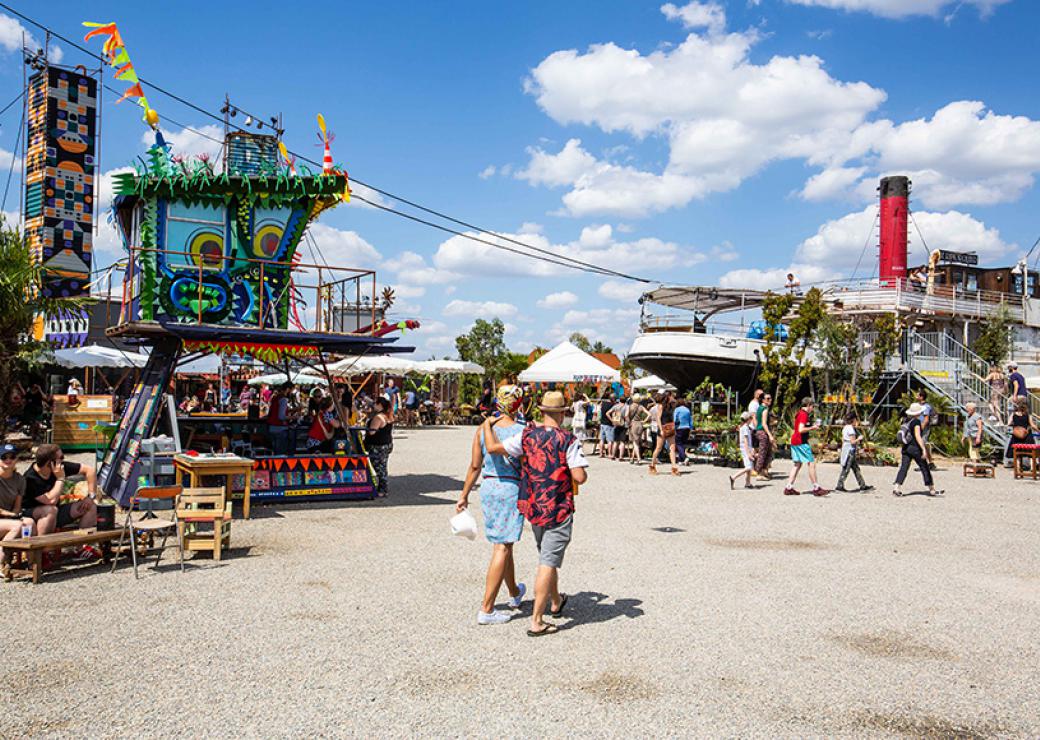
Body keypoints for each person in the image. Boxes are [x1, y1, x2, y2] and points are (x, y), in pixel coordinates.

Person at [482, 391, 589, 637]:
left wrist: (487, 424)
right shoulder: (568, 439)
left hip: (534, 505)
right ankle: (537, 620)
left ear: (541, 411)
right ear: (563, 414)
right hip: (558, 507)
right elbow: (579, 477)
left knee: (546, 554)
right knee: (548, 561)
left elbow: (493, 447)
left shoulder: (526, 435)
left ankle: (555, 601)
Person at [455, 385, 527, 625]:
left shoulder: (483, 429)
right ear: (517, 404)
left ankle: (514, 593)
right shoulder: (523, 431)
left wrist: (464, 494)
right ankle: (487, 609)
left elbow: (474, 465)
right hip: (510, 488)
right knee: (502, 548)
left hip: (488, 486)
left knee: (504, 543)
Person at [22, 444, 98, 537]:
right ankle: (43, 547)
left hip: (56, 513)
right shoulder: (30, 478)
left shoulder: (59, 467)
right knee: (50, 510)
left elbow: (90, 470)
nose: (63, 460)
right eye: (61, 457)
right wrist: (60, 479)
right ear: (50, 463)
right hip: (33, 516)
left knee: (90, 506)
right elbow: (51, 501)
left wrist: (90, 497)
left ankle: (80, 545)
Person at [893, 403, 943, 496]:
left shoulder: (906, 420)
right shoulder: (916, 422)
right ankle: (932, 489)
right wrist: (923, 449)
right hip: (915, 448)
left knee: (904, 468)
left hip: (906, 447)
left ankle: (896, 487)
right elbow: (917, 436)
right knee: (924, 467)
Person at [1, 444, 35, 575]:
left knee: (30, 523)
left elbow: (17, 505)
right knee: (17, 526)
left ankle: (31, 564)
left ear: (16, 459)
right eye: (4, 457)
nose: (8, 460)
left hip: (8, 519)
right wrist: (10, 515)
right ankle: (2, 561)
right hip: (4, 518)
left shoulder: (20, 479)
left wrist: (14, 515)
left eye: (12, 457)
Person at [783, 397, 828, 496]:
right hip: (801, 442)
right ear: (808, 405)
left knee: (797, 464)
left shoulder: (800, 413)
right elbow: (800, 429)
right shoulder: (804, 415)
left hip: (795, 441)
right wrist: (813, 427)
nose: (812, 408)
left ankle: (789, 487)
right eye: (812, 406)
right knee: (811, 463)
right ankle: (816, 487)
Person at [835, 413, 872, 492]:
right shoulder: (851, 429)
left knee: (855, 468)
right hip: (850, 451)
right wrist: (859, 438)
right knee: (846, 469)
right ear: (853, 420)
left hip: (846, 449)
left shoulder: (845, 428)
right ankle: (839, 485)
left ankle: (862, 485)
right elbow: (852, 441)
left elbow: (843, 440)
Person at [366, 397, 394, 497]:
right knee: (383, 466)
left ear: (379, 405)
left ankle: (383, 488)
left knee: (378, 467)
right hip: (386, 444)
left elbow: (372, 431)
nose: (373, 406)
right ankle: (383, 487)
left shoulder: (378, 417)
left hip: (377, 445)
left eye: (375, 403)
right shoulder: (388, 416)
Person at [649, 392, 679, 476]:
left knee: (672, 448)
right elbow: (658, 418)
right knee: (658, 448)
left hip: (670, 427)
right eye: (672, 396)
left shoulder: (672, 406)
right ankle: (652, 465)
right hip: (663, 427)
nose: (673, 397)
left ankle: (674, 467)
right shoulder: (661, 406)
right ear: (668, 397)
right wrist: (661, 429)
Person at [729, 412, 756, 490]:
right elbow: (746, 441)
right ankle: (733, 477)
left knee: (749, 465)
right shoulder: (745, 428)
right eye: (750, 418)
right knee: (748, 467)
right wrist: (749, 453)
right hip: (745, 449)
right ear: (748, 419)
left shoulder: (744, 427)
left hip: (746, 448)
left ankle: (748, 483)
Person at [754, 393, 775, 480]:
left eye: (770, 398)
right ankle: (759, 473)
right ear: (763, 400)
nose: (770, 400)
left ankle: (763, 471)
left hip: (760, 431)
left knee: (768, 452)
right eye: (767, 398)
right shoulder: (765, 409)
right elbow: (763, 423)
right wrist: (770, 435)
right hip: (763, 432)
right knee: (763, 453)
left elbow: (755, 418)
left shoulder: (759, 408)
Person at [266, 384, 292, 455]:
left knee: (275, 451)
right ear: (288, 389)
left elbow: (276, 411)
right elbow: (281, 416)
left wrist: (292, 410)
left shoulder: (275, 398)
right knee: (280, 454)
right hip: (280, 428)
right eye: (291, 390)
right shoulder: (283, 399)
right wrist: (293, 417)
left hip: (272, 427)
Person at [627, 398, 651, 464]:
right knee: (637, 442)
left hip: (633, 423)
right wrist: (644, 421)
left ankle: (638, 459)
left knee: (635, 443)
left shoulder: (630, 406)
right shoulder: (641, 407)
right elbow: (649, 414)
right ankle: (632, 458)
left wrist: (628, 422)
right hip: (640, 424)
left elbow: (626, 415)